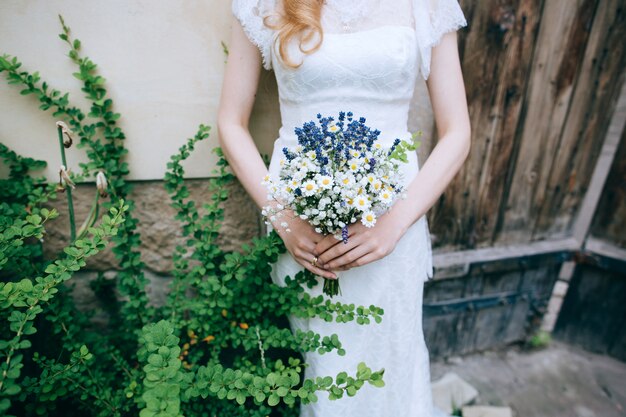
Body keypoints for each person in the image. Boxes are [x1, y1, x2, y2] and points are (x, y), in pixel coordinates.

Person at [217, 0, 471, 415]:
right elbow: (230, 122)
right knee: (324, 370)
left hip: (394, 221)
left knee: (393, 358)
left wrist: (393, 226)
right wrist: (285, 220)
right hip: (303, 225)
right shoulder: (263, 3)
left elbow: (458, 131)